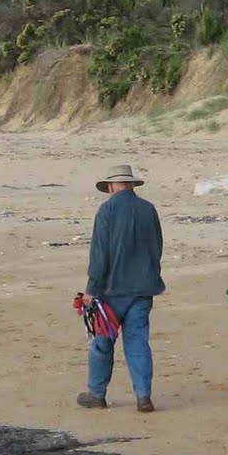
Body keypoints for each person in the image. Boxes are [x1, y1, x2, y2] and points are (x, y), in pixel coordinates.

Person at [77, 163, 164, 413]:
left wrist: (91, 289)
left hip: (111, 292)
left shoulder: (107, 210)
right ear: (132, 184)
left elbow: (99, 255)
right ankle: (143, 396)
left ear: (113, 186)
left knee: (102, 342)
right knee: (138, 343)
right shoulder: (148, 209)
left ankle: (96, 393)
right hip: (143, 288)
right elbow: (157, 248)